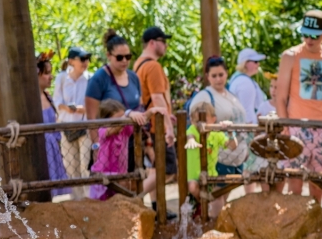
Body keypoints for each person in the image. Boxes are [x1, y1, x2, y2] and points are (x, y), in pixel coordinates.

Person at [274, 10, 322, 204]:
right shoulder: (290, 56)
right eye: (305, 34)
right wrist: (286, 128)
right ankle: (294, 220)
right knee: (294, 183)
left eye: (314, 36)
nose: (309, 39)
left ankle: (317, 219)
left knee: (319, 184)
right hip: (295, 126)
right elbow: (281, 97)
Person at [84, 30, 155, 198]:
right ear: (109, 55)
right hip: (108, 146)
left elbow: (139, 108)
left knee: (133, 187)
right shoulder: (98, 79)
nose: (125, 61)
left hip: (132, 143)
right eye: (120, 57)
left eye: (128, 57)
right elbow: (92, 118)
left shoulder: (134, 78)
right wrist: (96, 147)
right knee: (110, 192)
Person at [189, 56, 247, 178]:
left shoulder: (230, 94)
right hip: (219, 158)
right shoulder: (203, 97)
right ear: (207, 77)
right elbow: (194, 124)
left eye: (221, 75)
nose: (218, 79)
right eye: (214, 76)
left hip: (238, 155)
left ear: (227, 73)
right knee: (217, 190)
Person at [133, 26, 177, 175]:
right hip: (156, 127)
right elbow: (157, 98)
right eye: (163, 41)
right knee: (167, 171)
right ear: (152, 43)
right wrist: (168, 127)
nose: (166, 45)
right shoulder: (153, 66)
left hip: (148, 125)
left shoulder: (139, 64)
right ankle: (142, 191)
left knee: (156, 169)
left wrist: (168, 116)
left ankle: (149, 192)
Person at [229, 48, 273, 191]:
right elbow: (246, 111)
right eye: (254, 61)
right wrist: (252, 130)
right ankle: (251, 198)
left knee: (250, 167)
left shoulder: (238, 79)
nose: (257, 65)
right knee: (251, 167)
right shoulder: (244, 83)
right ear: (245, 63)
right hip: (247, 130)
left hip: (242, 130)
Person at [185, 100, 236, 218]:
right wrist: (191, 141)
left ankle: (213, 216)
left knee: (216, 196)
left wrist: (230, 132)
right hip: (193, 175)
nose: (200, 125)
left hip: (210, 174)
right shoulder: (192, 130)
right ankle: (203, 202)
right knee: (192, 187)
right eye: (196, 121)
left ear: (213, 119)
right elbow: (190, 135)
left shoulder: (216, 134)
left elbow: (232, 146)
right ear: (192, 121)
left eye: (204, 121)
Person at [53, 46, 92, 186]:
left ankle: (88, 196)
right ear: (71, 61)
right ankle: (76, 197)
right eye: (82, 58)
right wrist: (66, 108)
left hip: (85, 126)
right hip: (66, 126)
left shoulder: (91, 78)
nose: (85, 62)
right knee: (71, 167)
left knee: (86, 164)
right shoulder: (61, 78)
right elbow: (56, 100)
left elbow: (95, 104)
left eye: (87, 58)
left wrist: (83, 109)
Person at [36, 52, 69, 199]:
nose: (51, 76)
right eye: (47, 73)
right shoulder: (30, 100)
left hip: (53, 148)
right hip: (40, 151)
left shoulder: (47, 96)